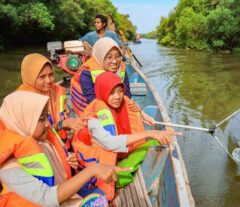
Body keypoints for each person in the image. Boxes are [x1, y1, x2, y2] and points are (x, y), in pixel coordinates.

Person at [0, 91, 128, 206]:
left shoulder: (39, 141)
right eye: (41, 119)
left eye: (47, 117)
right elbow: (46, 198)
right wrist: (92, 170)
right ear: (23, 121)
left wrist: (67, 163)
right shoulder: (9, 170)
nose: (47, 123)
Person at [72, 72, 181, 200]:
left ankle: (125, 170)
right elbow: (110, 143)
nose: (117, 96)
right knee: (121, 175)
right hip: (101, 169)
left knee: (154, 144)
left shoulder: (124, 105)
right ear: (102, 92)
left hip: (120, 157)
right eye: (112, 93)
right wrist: (150, 132)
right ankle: (118, 179)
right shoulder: (94, 118)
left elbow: (135, 117)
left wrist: (142, 115)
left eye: (120, 91)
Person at [17, 53, 87, 146]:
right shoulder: (23, 101)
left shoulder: (55, 91)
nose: (48, 80)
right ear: (30, 77)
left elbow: (62, 117)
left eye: (51, 75)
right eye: (42, 77)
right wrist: (62, 124)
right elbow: (35, 136)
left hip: (61, 145)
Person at [70, 37, 132, 116]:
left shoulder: (121, 68)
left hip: (115, 105)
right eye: (109, 57)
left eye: (118, 56)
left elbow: (127, 94)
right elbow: (92, 100)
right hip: (92, 110)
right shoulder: (87, 73)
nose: (115, 61)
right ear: (100, 56)